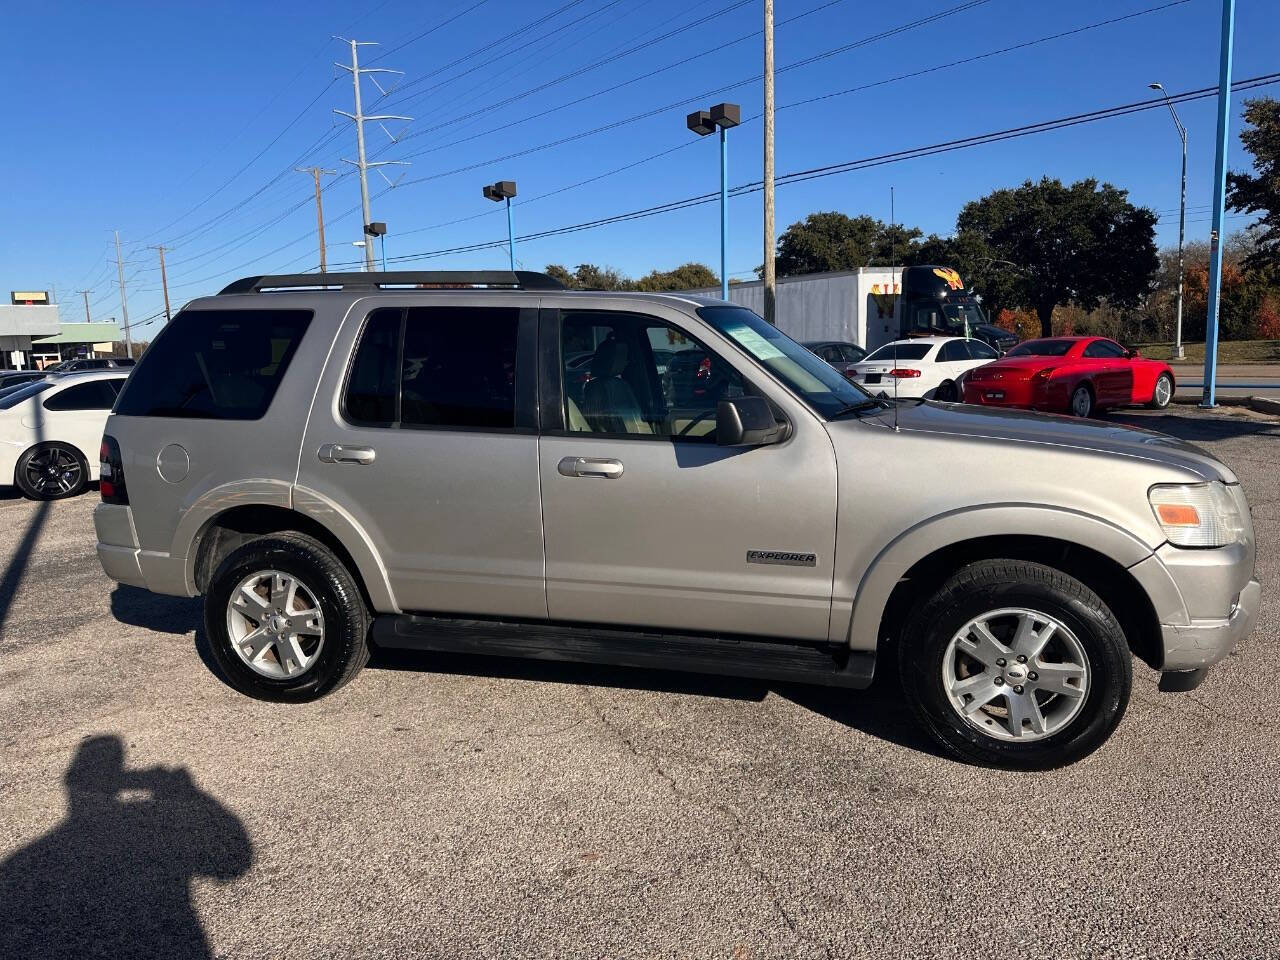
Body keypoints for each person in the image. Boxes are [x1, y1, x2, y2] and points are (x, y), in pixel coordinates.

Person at [0, 735, 252, 958]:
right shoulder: (22, 863)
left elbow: (230, 866)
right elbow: (231, 866)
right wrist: (187, 790)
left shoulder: (20, 866)